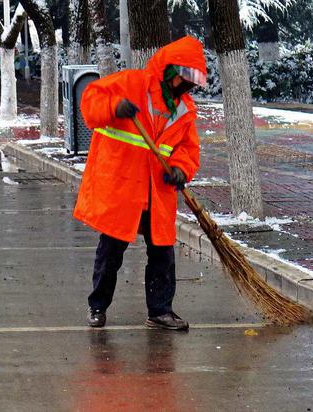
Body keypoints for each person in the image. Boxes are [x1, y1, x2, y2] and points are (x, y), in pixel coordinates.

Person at [73, 36, 207, 331]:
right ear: (169, 71)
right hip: (123, 186)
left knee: (162, 252)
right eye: (184, 79)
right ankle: (97, 307)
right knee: (111, 251)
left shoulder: (184, 110)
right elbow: (90, 102)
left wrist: (180, 170)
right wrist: (113, 106)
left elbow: (188, 149)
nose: (187, 87)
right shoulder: (131, 84)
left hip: (156, 191)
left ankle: (160, 311)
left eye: (191, 83)